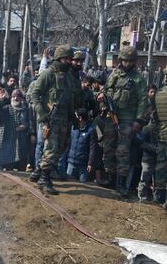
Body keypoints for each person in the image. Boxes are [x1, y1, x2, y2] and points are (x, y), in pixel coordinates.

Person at [29, 44, 77, 194]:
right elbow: (35, 94)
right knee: (51, 148)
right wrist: (42, 114)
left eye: (70, 59)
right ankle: (44, 179)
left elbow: (68, 99)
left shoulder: (69, 77)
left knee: (60, 148)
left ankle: (38, 170)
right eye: (66, 59)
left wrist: (72, 117)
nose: (69, 62)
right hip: (50, 118)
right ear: (59, 58)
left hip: (63, 118)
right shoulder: (48, 74)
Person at [103, 46, 148, 197]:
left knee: (123, 152)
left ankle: (121, 184)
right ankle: (110, 178)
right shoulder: (114, 74)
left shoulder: (138, 78)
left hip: (128, 119)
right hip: (111, 117)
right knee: (108, 148)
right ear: (121, 60)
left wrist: (138, 120)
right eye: (125, 60)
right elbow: (106, 90)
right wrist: (102, 98)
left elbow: (143, 101)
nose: (128, 63)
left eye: (130, 61)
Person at [0, 89, 34, 170]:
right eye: (14, 96)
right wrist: (1, 101)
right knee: (9, 165)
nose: (16, 98)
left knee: (22, 164)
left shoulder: (26, 109)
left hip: (22, 139)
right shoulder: (7, 108)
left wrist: (29, 131)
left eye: (18, 96)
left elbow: (29, 122)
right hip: (10, 139)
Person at [61, 109, 97, 183]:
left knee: (83, 186)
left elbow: (92, 148)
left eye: (75, 116)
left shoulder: (91, 131)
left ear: (80, 118)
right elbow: (68, 144)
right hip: (71, 164)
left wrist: (90, 163)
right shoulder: (73, 128)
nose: (73, 118)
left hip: (83, 167)